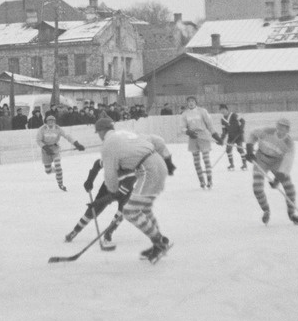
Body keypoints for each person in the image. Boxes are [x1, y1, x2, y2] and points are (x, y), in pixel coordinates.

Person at [95, 116, 174, 263]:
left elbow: (110, 174)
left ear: (100, 132)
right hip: (156, 164)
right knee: (142, 209)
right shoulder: (125, 134)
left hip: (148, 170)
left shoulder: (107, 145)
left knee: (130, 211)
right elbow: (158, 141)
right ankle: (159, 241)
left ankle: (159, 242)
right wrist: (167, 160)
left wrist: (112, 193)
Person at [247, 118, 298, 225]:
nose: (281, 130)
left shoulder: (289, 144)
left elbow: (287, 163)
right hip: (261, 159)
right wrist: (249, 149)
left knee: (289, 188)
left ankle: (292, 214)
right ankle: (266, 210)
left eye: (284, 128)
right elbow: (252, 134)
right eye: (279, 126)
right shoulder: (267, 131)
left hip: (277, 163)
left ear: (288, 130)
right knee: (257, 188)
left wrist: (278, 179)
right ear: (276, 126)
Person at [35, 113, 86, 191]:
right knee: (48, 171)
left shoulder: (58, 129)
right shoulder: (42, 129)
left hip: (55, 148)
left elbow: (67, 136)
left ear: (55, 121)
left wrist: (76, 144)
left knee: (58, 165)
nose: (51, 122)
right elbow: (38, 140)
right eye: (49, 121)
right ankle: (56, 171)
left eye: (53, 121)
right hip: (46, 150)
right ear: (46, 121)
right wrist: (45, 148)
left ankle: (60, 184)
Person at [180, 96, 222, 188]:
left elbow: (209, 125)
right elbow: (182, 127)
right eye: (189, 101)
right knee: (196, 161)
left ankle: (209, 180)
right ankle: (202, 181)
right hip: (193, 137)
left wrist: (216, 136)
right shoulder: (185, 114)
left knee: (206, 159)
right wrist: (187, 131)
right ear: (187, 103)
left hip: (203, 136)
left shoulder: (202, 111)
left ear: (196, 102)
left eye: (193, 101)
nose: (191, 103)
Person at [218, 103, 246, 170]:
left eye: (223, 109)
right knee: (228, 150)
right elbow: (224, 131)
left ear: (226, 109)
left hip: (238, 135)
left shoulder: (233, 115)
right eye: (221, 110)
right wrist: (221, 139)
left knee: (240, 149)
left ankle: (244, 165)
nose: (222, 111)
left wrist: (241, 129)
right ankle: (231, 165)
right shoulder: (222, 119)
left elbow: (243, 121)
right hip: (231, 137)